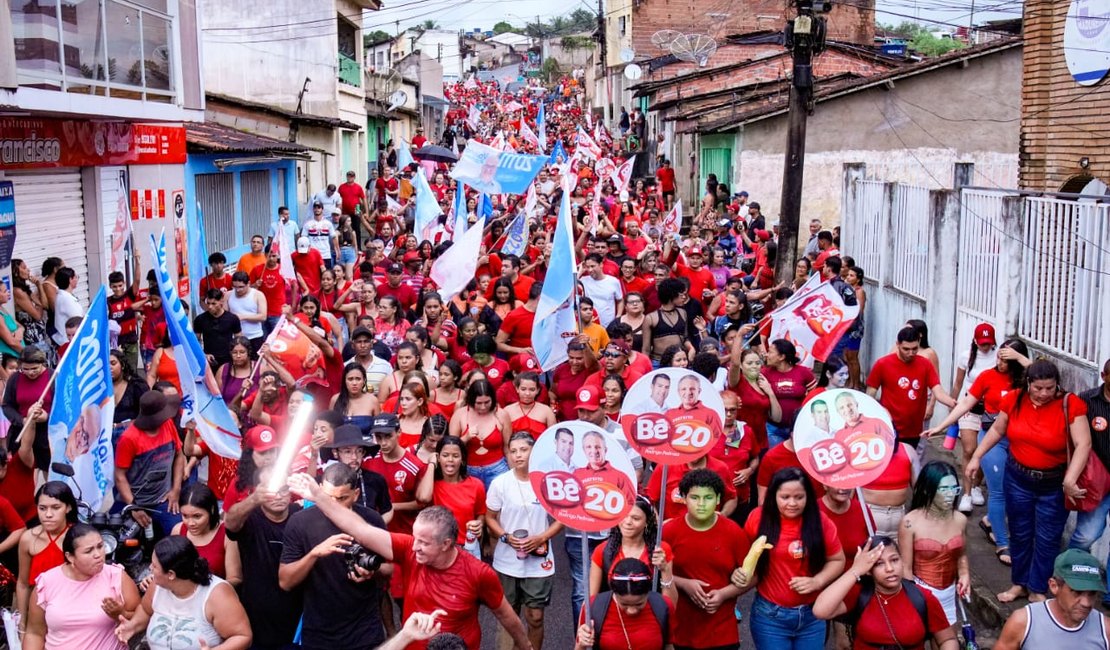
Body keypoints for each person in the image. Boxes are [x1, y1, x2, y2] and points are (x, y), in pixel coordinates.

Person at [285, 475, 533, 650]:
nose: (414, 547)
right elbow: (359, 529)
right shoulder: (409, 549)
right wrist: (318, 496)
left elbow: (506, 615)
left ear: (446, 543)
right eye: (414, 539)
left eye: (424, 543)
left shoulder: (478, 573)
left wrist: (526, 647)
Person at [966, 359, 1092, 603]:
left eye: (1050, 388)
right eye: (1038, 388)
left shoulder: (1070, 404)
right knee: (1020, 533)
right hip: (1018, 479)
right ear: (1028, 384)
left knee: (1047, 538)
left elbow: (1083, 444)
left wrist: (1070, 478)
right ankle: (1019, 584)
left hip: (1053, 484)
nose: (1044, 393)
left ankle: (1037, 588)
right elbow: (996, 430)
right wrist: (976, 457)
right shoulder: (1014, 399)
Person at [924, 338, 1030, 566]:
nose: (999, 363)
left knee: (1016, 492)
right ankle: (1003, 542)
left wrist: (1021, 359)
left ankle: (991, 520)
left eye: (1005, 359)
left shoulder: (1028, 380)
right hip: (992, 441)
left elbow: (1050, 381)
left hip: (1022, 443)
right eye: (998, 357)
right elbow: (965, 405)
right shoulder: (987, 377)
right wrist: (941, 426)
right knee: (998, 490)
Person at [279, 462, 390, 650]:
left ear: (355, 495)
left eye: (342, 498)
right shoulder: (300, 523)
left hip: (364, 631)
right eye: (328, 497)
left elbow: (390, 570)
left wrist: (372, 570)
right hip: (320, 633)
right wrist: (314, 554)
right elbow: (285, 581)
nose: (334, 504)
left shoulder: (371, 520)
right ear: (319, 490)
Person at [737, 467, 845, 650]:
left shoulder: (820, 521)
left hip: (812, 616)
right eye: (785, 497)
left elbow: (837, 560)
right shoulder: (758, 518)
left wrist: (817, 581)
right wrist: (740, 574)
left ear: (808, 497)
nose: (792, 503)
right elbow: (744, 557)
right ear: (773, 496)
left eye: (799, 497)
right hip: (770, 617)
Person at [485, 433, 563, 649]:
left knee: (535, 616)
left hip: (539, 560)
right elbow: (490, 518)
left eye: (523, 450)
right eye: (513, 451)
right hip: (507, 560)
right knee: (508, 615)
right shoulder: (500, 483)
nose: (518, 455)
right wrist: (505, 537)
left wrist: (541, 537)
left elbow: (560, 520)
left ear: (534, 451)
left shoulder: (548, 481)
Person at [813, 536, 958, 650]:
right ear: (868, 570)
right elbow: (820, 611)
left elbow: (947, 639)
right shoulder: (859, 594)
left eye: (894, 560)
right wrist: (855, 570)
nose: (890, 568)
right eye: (879, 564)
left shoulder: (922, 597)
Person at [663, 468, 751, 650]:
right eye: (695, 498)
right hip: (681, 631)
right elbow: (654, 572)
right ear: (684, 498)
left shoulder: (733, 532)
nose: (701, 504)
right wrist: (683, 583)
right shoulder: (669, 532)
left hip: (722, 632)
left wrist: (724, 593)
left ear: (718, 499)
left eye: (708, 498)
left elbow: (753, 576)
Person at [114, 536, 252, 650]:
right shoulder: (156, 586)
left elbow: (242, 636)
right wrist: (132, 626)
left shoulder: (217, 595)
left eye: (154, 566)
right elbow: (145, 610)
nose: (150, 568)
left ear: (171, 574)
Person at [22, 523, 141, 650]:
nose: (98, 555)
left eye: (100, 546)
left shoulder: (116, 576)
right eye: (88, 551)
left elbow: (141, 619)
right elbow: (34, 633)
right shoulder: (46, 583)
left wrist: (120, 614)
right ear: (70, 557)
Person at [224, 466, 304, 650]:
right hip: (258, 618)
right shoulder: (249, 518)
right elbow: (231, 523)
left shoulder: (300, 516)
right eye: (271, 491)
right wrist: (252, 500)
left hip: (296, 616)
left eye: (284, 490)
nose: (279, 496)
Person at [898, 461, 969, 628]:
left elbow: (962, 554)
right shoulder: (910, 523)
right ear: (926, 489)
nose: (950, 494)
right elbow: (906, 568)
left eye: (954, 489)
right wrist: (912, 600)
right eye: (944, 489)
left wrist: (964, 574)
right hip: (921, 592)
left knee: (948, 642)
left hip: (949, 592)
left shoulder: (960, 519)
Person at [993, 549, 1110, 650]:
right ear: (1054, 586)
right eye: (1077, 592)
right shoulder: (1023, 622)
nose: (1086, 603)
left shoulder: (1106, 629)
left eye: (1092, 593)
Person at [868, 326, 956, 446]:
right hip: (888, 427)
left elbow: (938, 391)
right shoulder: (882, 364)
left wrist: (954, 404)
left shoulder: (925, 364)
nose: (911, 353)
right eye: (906, 349)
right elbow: (870, 396)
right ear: (897, 344)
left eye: (915, 349)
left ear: (919, 343)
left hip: (913, 431)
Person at [114, 391, 184, 538]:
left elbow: (179, 455)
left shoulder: (168, 425)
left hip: (164, 499)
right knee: (116, 540)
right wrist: (133, 506)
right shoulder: (129, 438)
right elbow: (119, 476)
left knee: (180, 534)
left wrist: (176, 489)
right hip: (135, 499)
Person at [1069, 357, 1110, 598]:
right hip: (1097, 482)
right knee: (1086, 535)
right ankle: (1070, 577)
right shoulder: (1086, 400)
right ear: (1104, 376)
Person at [948, 322, 998, 511]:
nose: (986, 347)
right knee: (969, 449)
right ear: (976, 341)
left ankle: (977, 485)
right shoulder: (965, 356)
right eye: (982, 343)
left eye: (988, 343)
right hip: (969, 406)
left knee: (984, 452)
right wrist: (952, 403)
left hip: (991, 410)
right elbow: (959, 383)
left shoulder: (998, 356)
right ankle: (967, 493)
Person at [575, 558, 676, 650]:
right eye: (624, 604)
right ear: (614, 592)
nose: (632, 611)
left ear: (647, 593)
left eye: (639, 604)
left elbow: (668, 646)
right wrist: (581, 644)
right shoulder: (593, 606)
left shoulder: (663, 606)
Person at [16, 481, 78, 626]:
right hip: (36, 614)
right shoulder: (28, 538)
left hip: (70, 614)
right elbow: (23, 584)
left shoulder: (78, 537)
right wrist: (22, 624)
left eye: (56, 508)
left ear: (68, 508)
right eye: (42, 508)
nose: (48, 514)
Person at [171, 484, 241, 585]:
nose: (190, 523)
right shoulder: (177, 531)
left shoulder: (226, 535)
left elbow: (235, 578)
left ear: (211, 510)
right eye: (185, 516)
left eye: (197, 516)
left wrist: (206, 591)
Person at [763, 339, 816, 449]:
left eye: (771, 352)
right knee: (778, 460)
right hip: (773, 428)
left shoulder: (804, 372)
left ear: (782, 357)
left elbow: (814, 397)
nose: (767, 355)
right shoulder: (764, 373)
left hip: (799, 427)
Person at [194, 289, 242, 368]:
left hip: (228, 359)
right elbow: (195, 341)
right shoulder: (200, 319)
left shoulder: (232, 318)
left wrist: (236, 356)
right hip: (209, 359)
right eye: (208, 303)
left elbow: (239, 340)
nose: (210, 307)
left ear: (221, 302)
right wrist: (203, 355)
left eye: (213, 303)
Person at [227, 271, 267, 354]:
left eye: (241, 287)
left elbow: (263, 316)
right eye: (235, 287)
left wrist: (243, 317)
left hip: (255, 336)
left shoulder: (258, 295)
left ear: (248, 283)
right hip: (235, 338)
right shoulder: (228, 295)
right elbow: (225, 315)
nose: (238, 290)